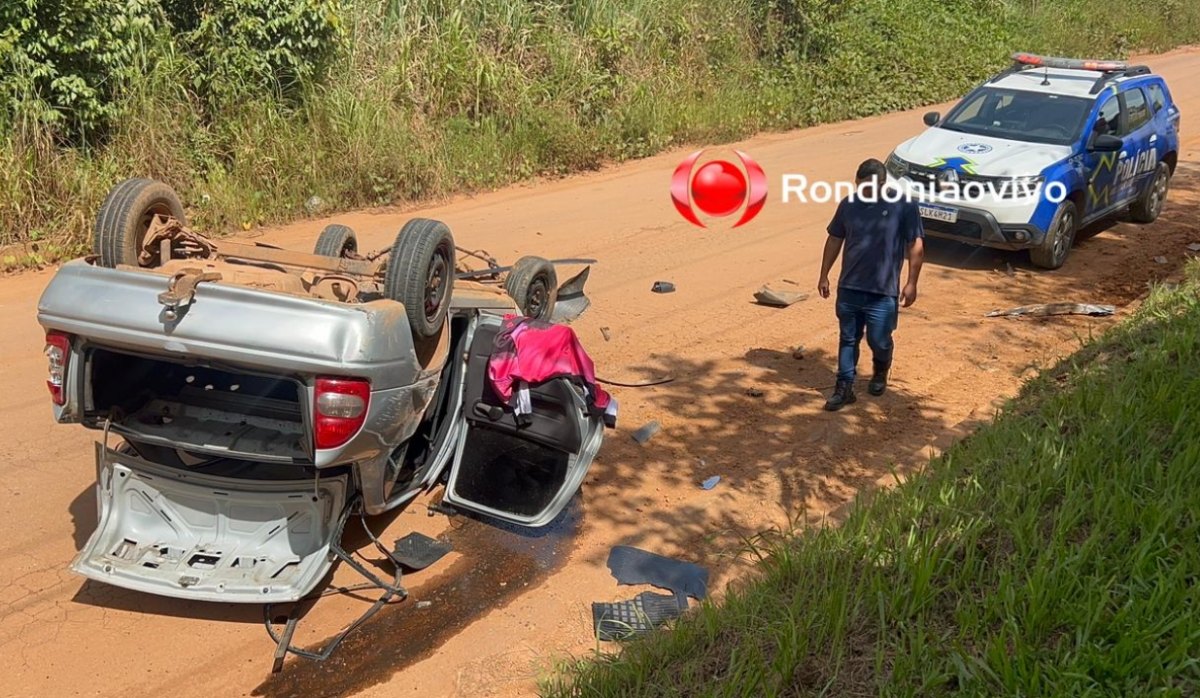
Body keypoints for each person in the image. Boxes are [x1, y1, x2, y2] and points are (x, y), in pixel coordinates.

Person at [817, 158, 924, 411]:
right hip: (849, 287)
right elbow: (835, 239)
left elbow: (915, 245)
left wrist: (912, 282)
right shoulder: (849, 205)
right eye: (860, 186)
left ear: (882, 184)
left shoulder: (904, 206)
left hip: (883, 292)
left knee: (879, 339)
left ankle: (881, 368)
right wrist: (824, 274)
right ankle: (844, 387)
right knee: (848, 338)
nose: (863, 192)